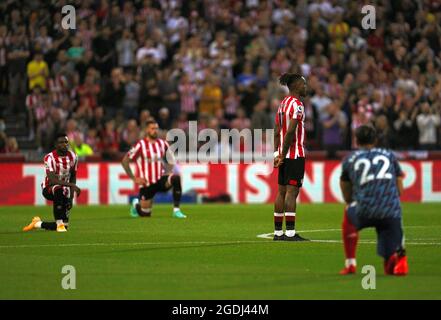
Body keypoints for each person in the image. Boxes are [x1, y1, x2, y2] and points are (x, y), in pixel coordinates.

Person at [339, 125, 408, 276]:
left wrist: (354, 199)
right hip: (390, 213)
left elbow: (346, 193)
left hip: (364, 209)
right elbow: (400, 190)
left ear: (356, 141)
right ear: (375, 140)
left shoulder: (350, 159)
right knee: (395, 209)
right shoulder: (389, 155)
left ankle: (350, 263)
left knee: (348, 213)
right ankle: (399, 258)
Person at [121, 120, 187, 219]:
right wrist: (134, 178)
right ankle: (135, 204)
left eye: (156, 128)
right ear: (147, 130)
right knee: (146, 215)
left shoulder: (162, 143)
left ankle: (176, 210)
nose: (155, 131)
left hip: (160, 180)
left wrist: (168, 171)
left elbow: (171, 159)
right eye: (152, 128)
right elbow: (125, 161)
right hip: (147, 183)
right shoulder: (140, 145)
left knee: (176, 178)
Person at [272, 73, 309, 241]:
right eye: (303, 84)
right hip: (294, 154)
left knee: (281, 192)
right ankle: (290, 233)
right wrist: (284, 153)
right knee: (292, 192)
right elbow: (290, 132)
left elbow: (276, 131)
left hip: (282, 153)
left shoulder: (282, 104)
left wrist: (276, 154)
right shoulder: (298, 105)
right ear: (295, 86)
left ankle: (278, 233)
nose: (305, 86)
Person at [23, 133, 81, 232]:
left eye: (66, 142)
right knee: (57, 188)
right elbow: (53, 180)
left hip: (65, 191)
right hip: (49, 188)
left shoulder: (74, 156)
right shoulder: (49, 158)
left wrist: (71, 198)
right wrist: (72, 185)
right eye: (61, 142)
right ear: (56, 145)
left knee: (65, 225)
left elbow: (73, 176)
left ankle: (37, 224)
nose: (64, 144)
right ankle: (59, 224)